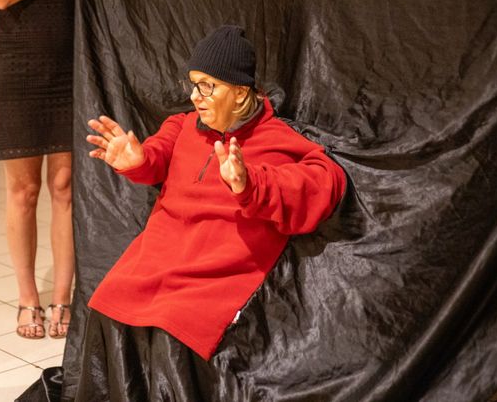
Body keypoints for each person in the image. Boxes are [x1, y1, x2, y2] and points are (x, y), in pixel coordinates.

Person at [80, 25, 347, 397]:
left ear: (239, 92)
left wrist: (250, 183)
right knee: (109, 302)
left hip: (219, 273)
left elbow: (327, 182)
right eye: (193, 84)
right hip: (161, 255)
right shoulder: (182, 125)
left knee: (174, 328)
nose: (195, 96)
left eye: (207, 86)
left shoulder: (278, 140)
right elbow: (155, 157)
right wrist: (136, 161)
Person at [0, 0, 76, 339]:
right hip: (16, 71)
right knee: (24, 191)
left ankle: (63, 298)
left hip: (69, 71)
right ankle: (28, 298)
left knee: (65, 187)